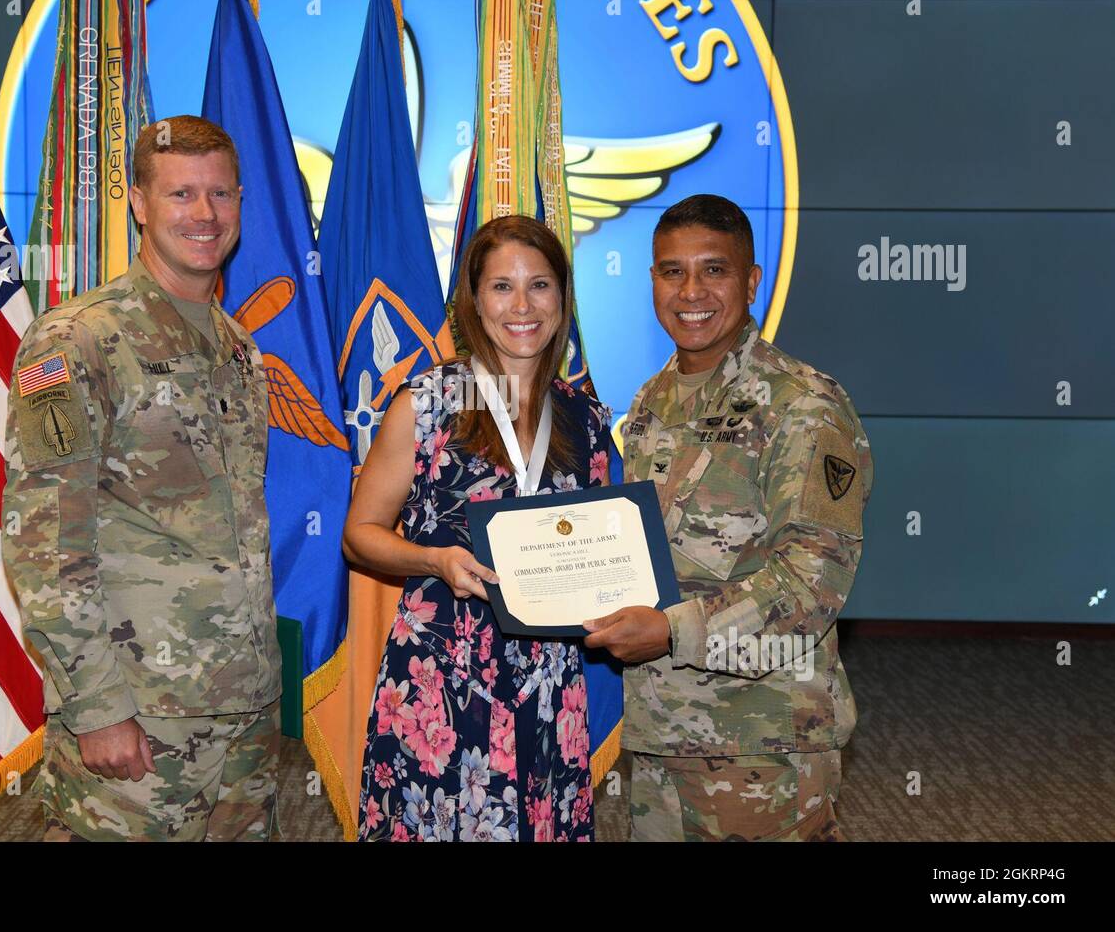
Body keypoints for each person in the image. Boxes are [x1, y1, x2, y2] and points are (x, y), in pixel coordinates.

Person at [2, 115, 281, 841]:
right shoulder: (74, 341)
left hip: (244, 704)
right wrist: (95, 705)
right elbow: (43, 545)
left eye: (221, 194)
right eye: (181, 193)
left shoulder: (237, 347)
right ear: (140, 202)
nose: (205, 214)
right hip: (139, 713)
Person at [584, 195, 871, 841]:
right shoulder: (653, 400)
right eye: (671, 271)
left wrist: (669, 631)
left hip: (762, 744)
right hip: (661, 731)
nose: (691, 291)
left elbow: (810, 583)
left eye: (713, 270)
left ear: (751, 281)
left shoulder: (802, 404)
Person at [344, 215, 613, 842]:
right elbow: (360, 533)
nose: (522, 306)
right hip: (442, 675)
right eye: (501, 287)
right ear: (474, 301)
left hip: (549, 679)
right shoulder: (428, 404)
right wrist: (436, 561)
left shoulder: (586, 418)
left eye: (540, 285)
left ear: (562, 299)